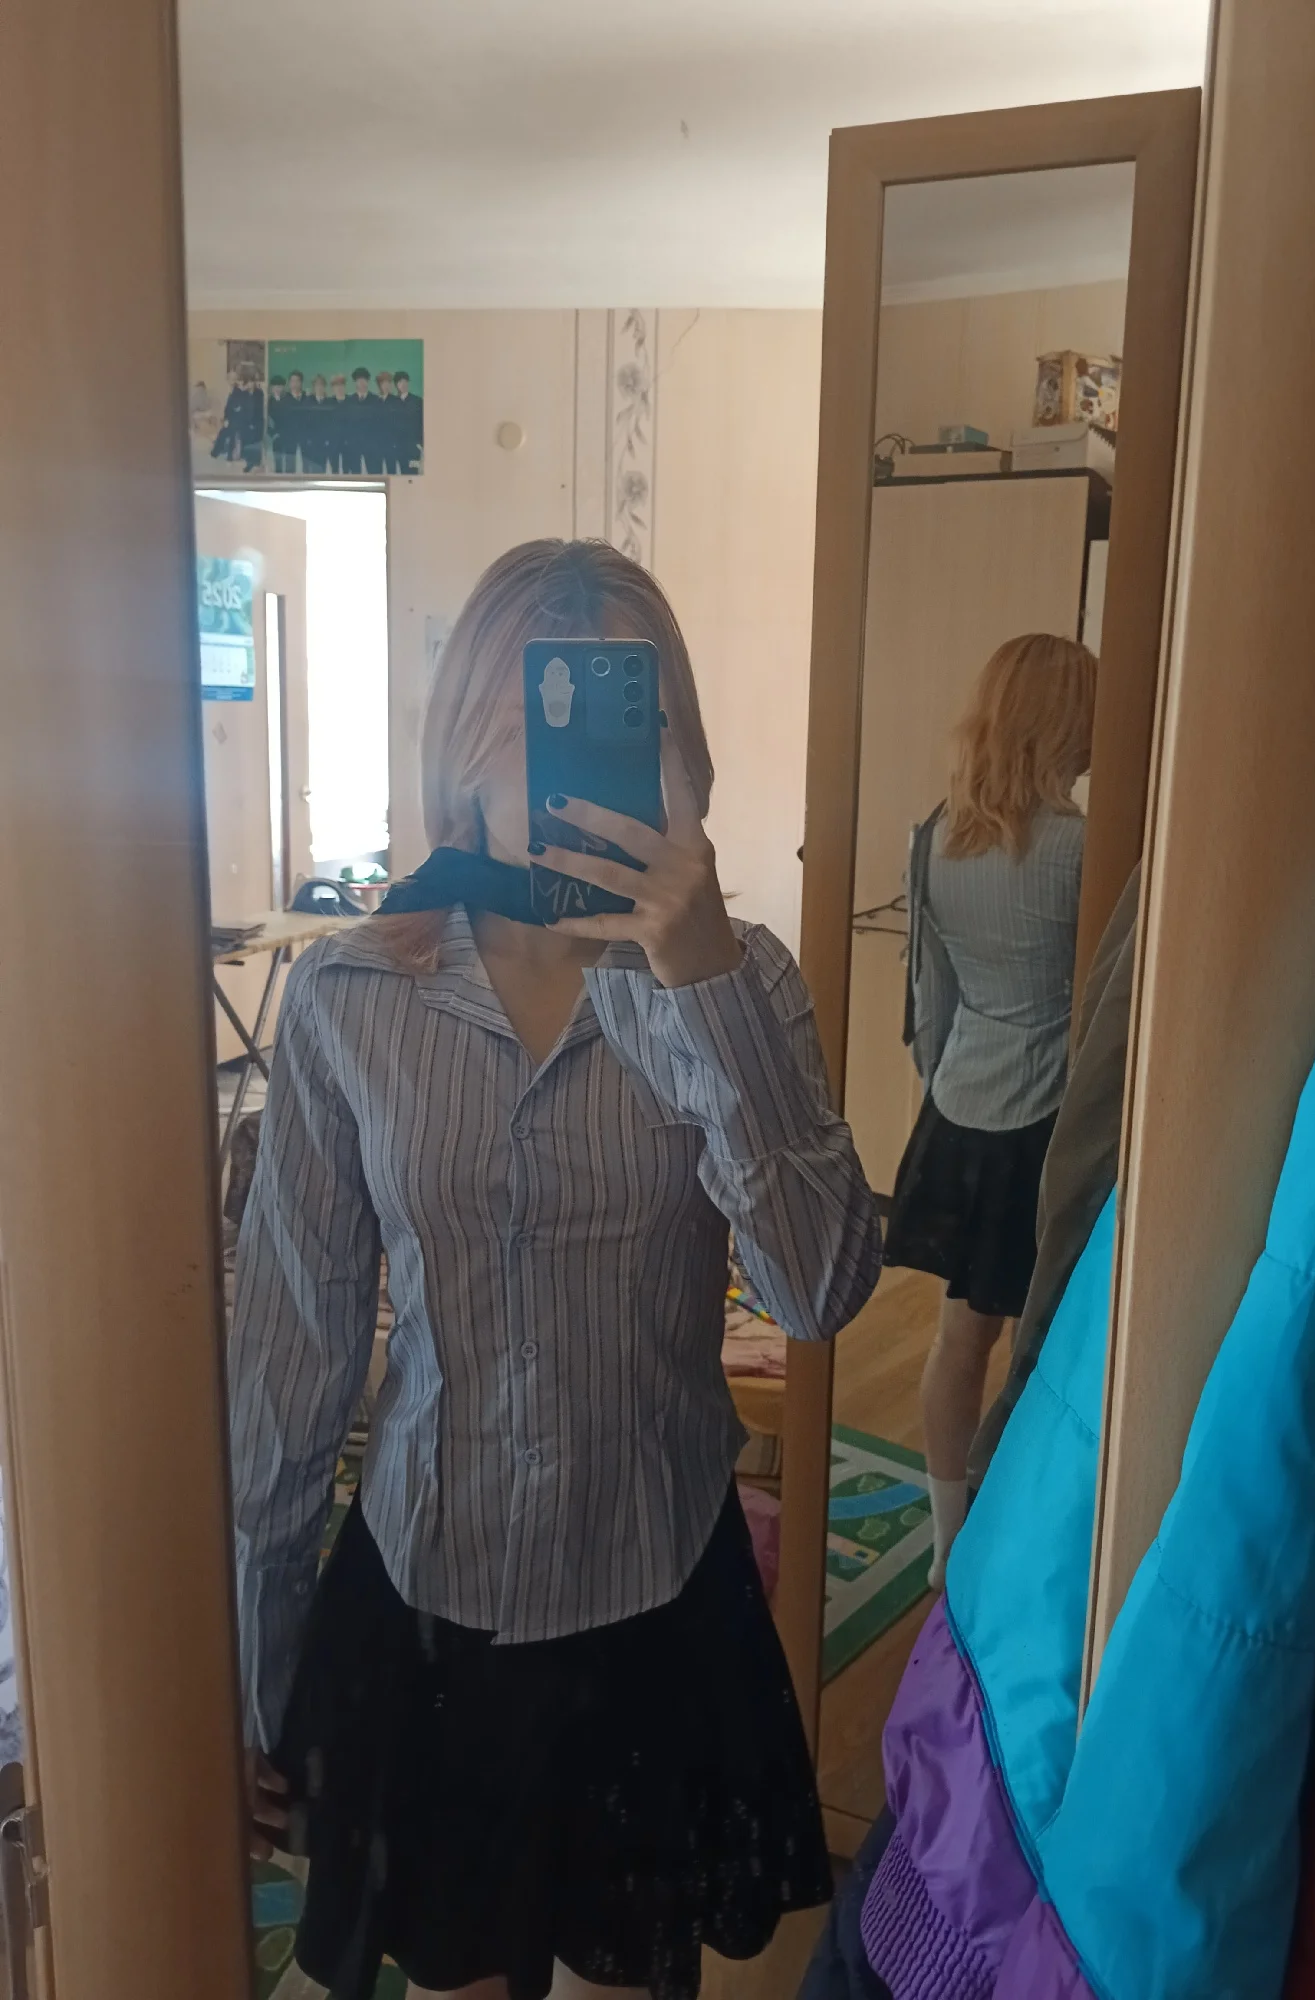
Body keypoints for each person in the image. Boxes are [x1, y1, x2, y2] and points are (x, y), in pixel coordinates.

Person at [230, 537, 883, 2000]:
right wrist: (248, 1662)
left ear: (682, 754)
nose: (580, 769)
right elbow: (288, 1358)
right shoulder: (350, 997)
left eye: (630, 720)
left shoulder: (742, 982)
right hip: (426, 1603)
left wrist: (701, 985)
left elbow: (822, 1290)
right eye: (537, 717)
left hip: (653, 1596)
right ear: (466, 754)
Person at [882, 631, 1097, 1588]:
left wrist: (943, 1090)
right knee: (1041, 1345)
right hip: (1046, 1123)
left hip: (959, 1108)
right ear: (1066, 720)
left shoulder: (935, 836)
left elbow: (930, 1001)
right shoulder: (1086, 847)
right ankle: (1016, 1535)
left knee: (958, 1337)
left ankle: (946, 1544)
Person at [346, 364, 377, 472]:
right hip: (354, 443)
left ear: (368, 381)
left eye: (364, 380)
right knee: (355, 472)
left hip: (371, 443)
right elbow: (347, 423)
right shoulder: (349, 401)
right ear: (355, 382)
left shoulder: (376, 400)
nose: (362, 383)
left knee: (374, 472)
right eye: (359, 380)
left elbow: (379, 423)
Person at [392, 366, 423, 474]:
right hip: (399, 446)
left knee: (413, 473)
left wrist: (420, 443)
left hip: (413, 446)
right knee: (403, 473)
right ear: (396, 385)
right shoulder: (393, 402)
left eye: (405, 382)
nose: (403, 384)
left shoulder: (417, 401)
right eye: (400, 382)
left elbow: (422, 422)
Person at [302, 373, 332, 474]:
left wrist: (328, 439)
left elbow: (331, 422)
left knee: (321, 468)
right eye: (317, 385)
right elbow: (305, 422)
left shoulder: (329, 402)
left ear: (324, 387)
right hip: (310, 442)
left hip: (324, 442)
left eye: (321, 385)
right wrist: (307, 438)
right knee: (308, 469)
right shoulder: (307, 402)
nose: (319, 387)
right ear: (313, 387)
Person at [266, 374, 294, 474]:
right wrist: (273, 433)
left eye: (280, 386)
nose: (277, 389)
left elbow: (290, 417)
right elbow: (267, 420)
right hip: (276, 436)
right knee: (278, 464)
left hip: (289, 435)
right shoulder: (269, 401)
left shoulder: (289, 399)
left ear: (283, 387)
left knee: (290, 464)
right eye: (275, 386)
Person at [326, 372, 351, 473]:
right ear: (333, 388)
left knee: (347, 468)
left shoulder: (350, 401)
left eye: (341, 385)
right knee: (334, 469)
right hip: (333, 441)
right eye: (336, 385)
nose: (339, 388)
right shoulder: (328, 402)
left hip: (348, 441)